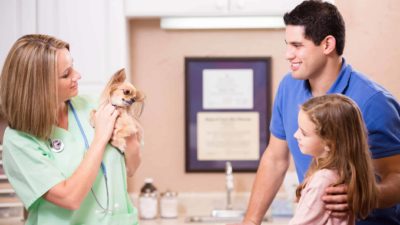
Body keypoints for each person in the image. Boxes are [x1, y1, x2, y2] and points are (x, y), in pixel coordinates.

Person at [237, 1, 400, 225]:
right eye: (288, 44)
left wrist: (363, 195)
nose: (288, 54)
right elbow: (275, 159)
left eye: (297, 45)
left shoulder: (374, 101)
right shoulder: (288, 87)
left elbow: (397, 175)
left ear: (327, 44)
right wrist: (251, 221)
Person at [0, 34, 142, 225]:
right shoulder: (18, 141)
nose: (77, 75)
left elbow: (131, 168)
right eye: (66, 74)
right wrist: (101, 138)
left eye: (72, 66)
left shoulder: (94, 105)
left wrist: (130, 136)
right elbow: (69, 198)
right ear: (40, 87)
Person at [289, 94, 378, 225]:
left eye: (304, 133)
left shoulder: (322, 180)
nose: (295, 135)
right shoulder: (340, 174)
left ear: (329, 143)